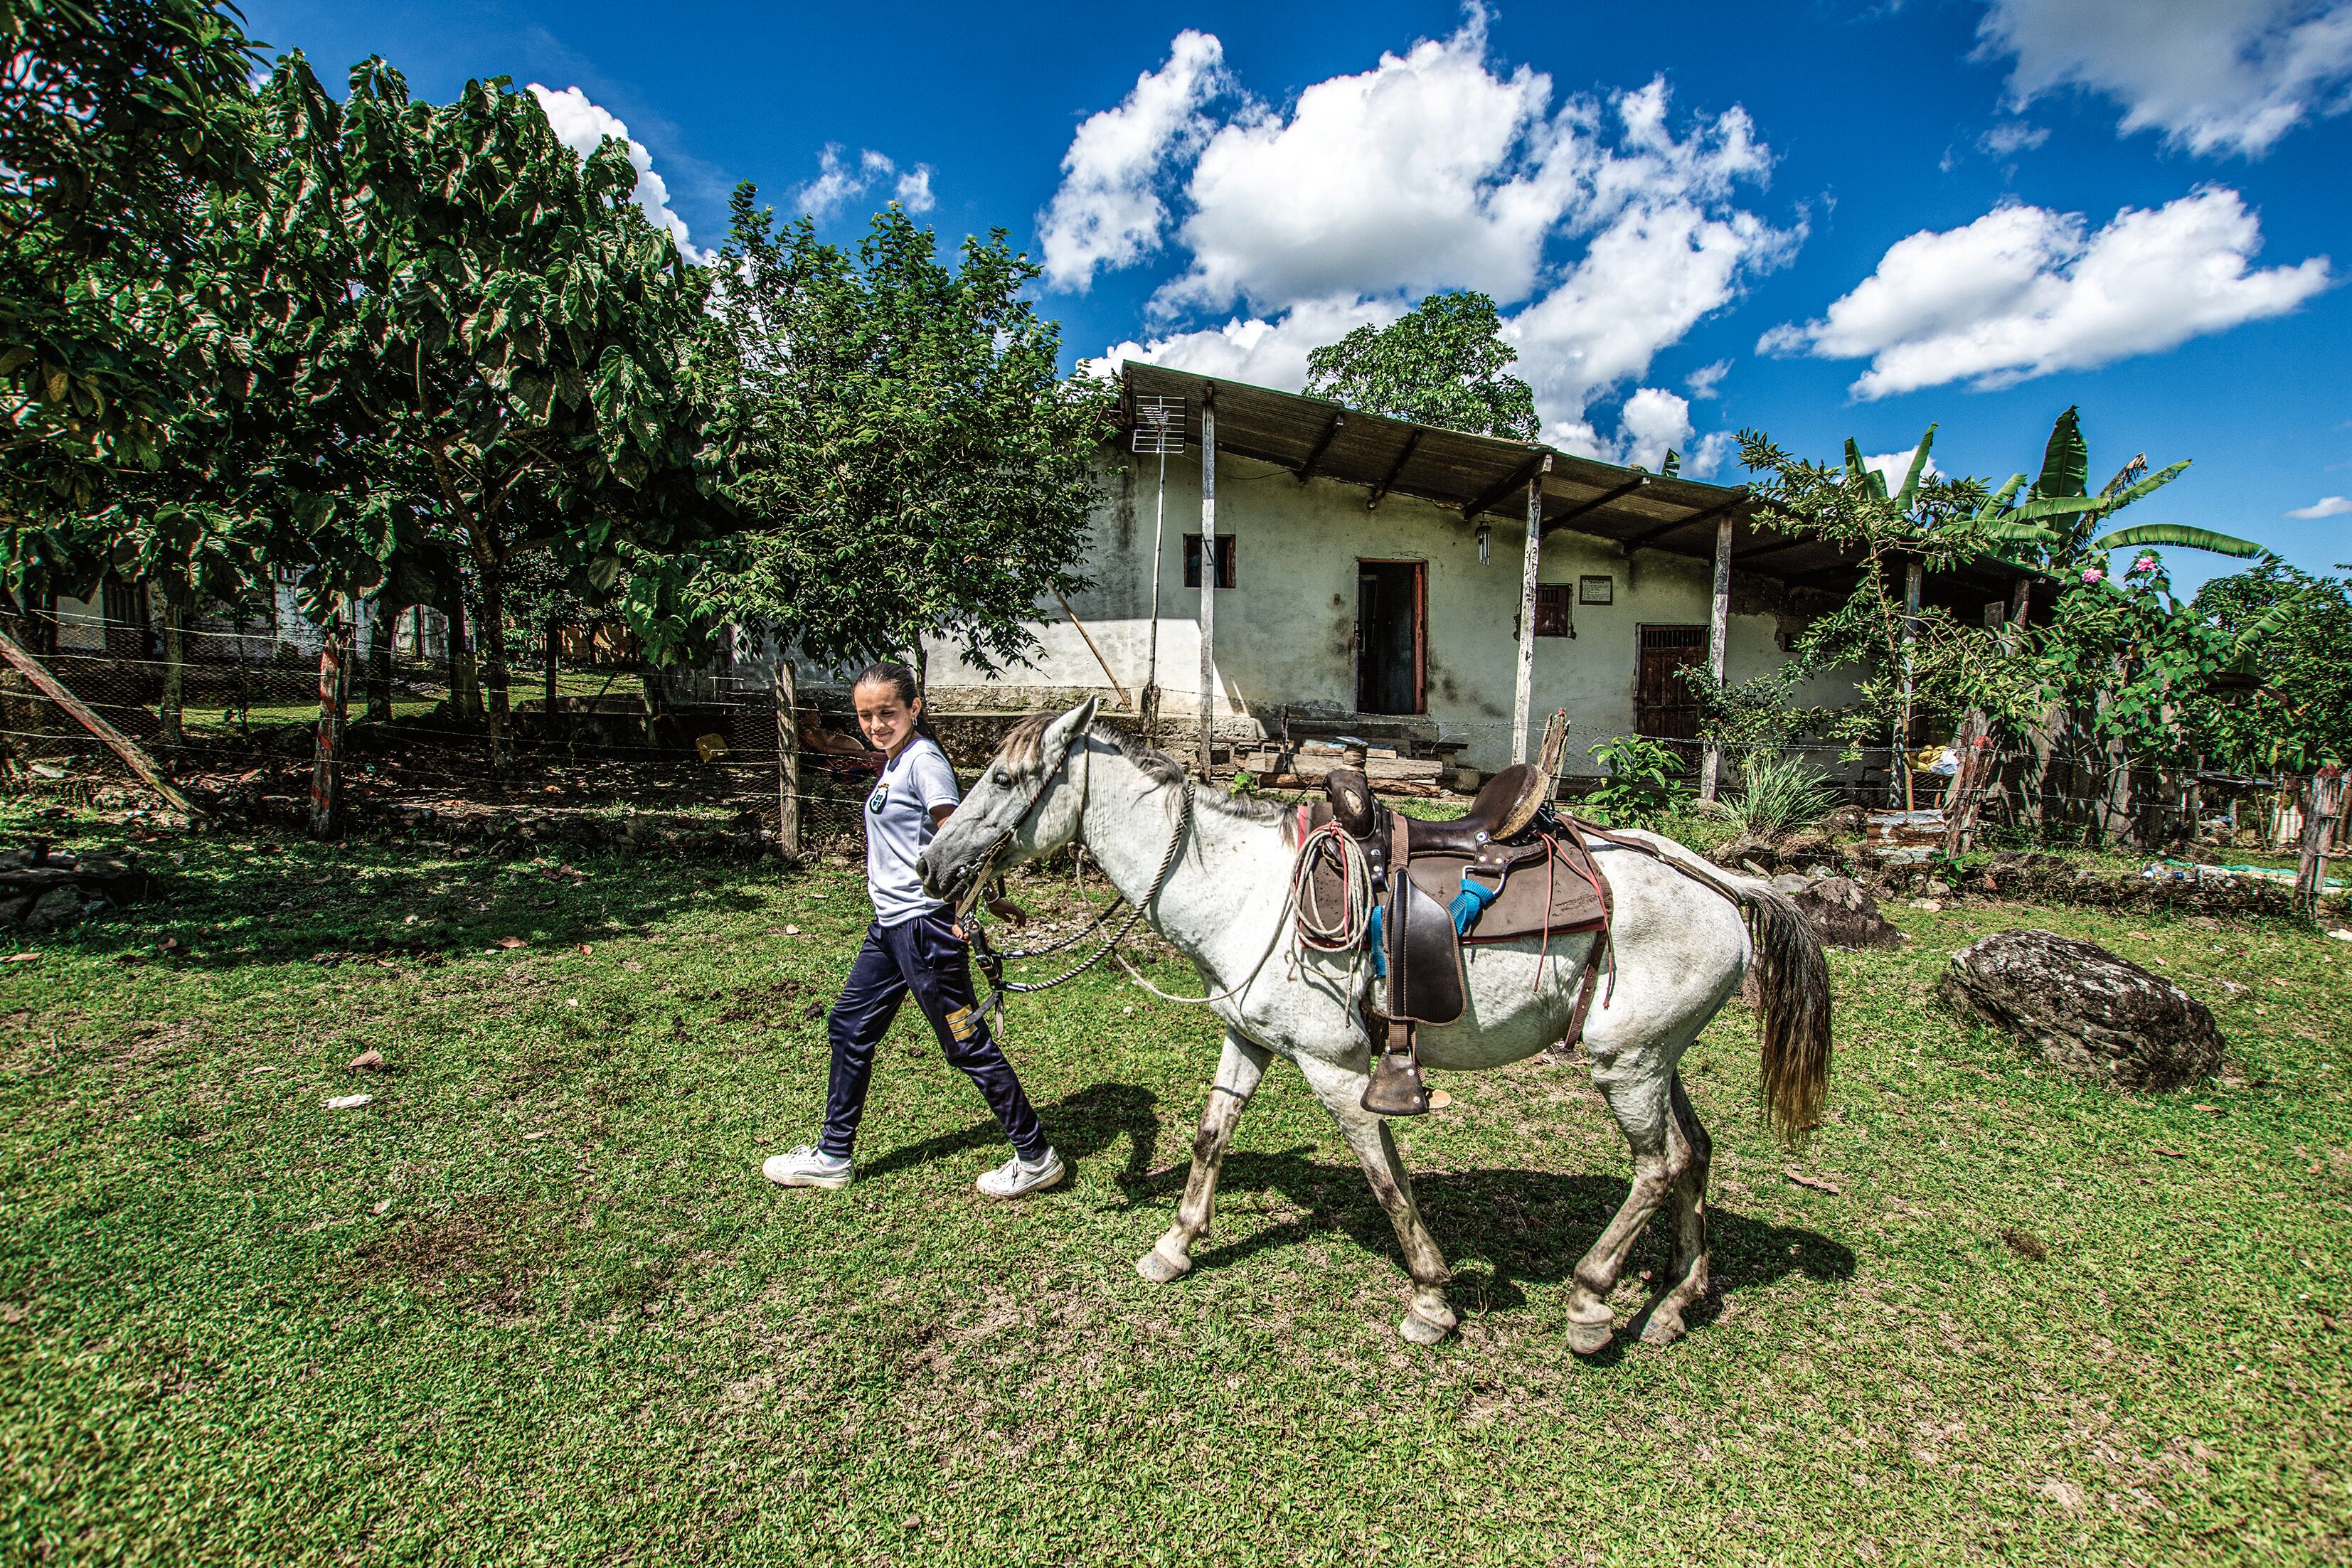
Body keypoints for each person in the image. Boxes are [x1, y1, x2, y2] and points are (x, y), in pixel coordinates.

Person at [762, 662, 1064, 1199]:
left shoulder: (924, 762)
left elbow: (959, 838)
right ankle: (833, 1154)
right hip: (890, 928)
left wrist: (976, 903)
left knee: (964, 1043)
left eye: (887, 712)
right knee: (849, 1026)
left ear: (914, 708)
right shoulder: (893, 761)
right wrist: (992, 899)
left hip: (923, 928)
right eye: (865, 715)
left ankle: (1036, 1155)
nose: (876, 723)